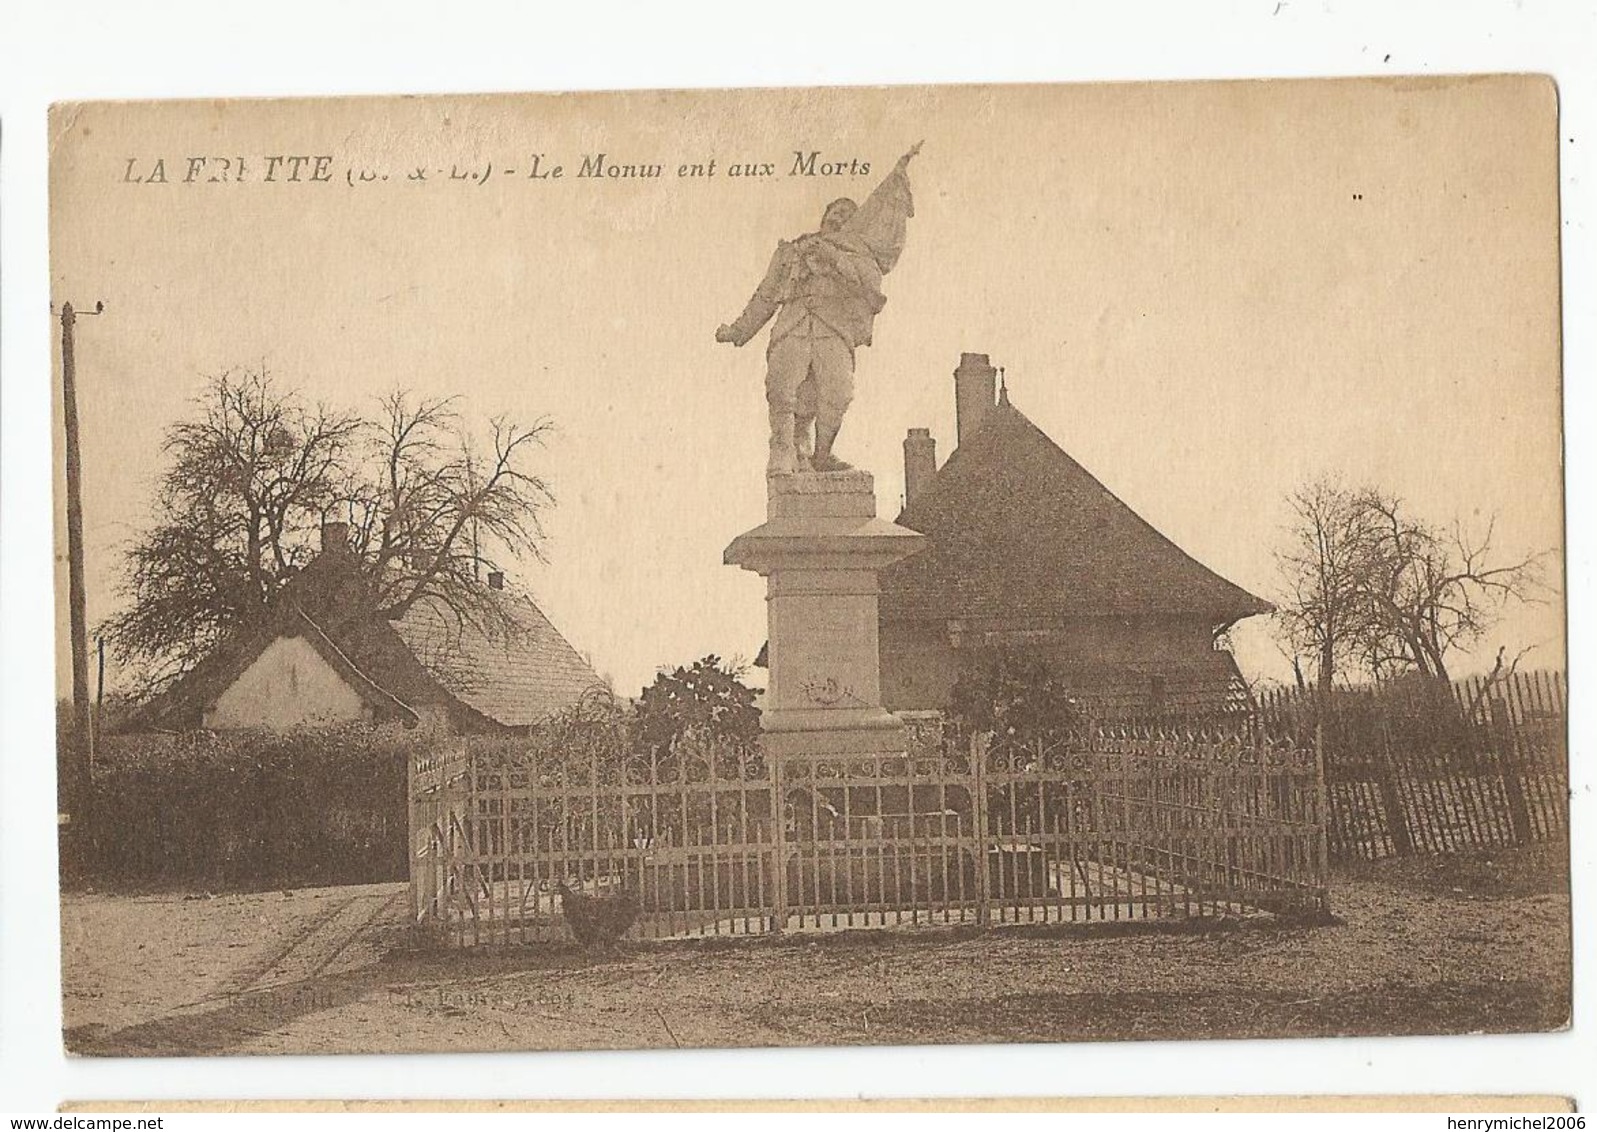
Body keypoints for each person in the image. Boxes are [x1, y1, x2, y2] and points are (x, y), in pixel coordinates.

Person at [716, 142, 921, 475]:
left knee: (838, 394)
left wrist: (835, 259)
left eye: (847, 216)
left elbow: (868, 285)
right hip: (792, 325)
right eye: (834, 213)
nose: (838, 218)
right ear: (824, 218)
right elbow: (766, 295)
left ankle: (822, 455)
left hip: (833, 329)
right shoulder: (792, 250)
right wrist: (738, 331)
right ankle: (782, 451)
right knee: (781, 388)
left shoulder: (859, 256)